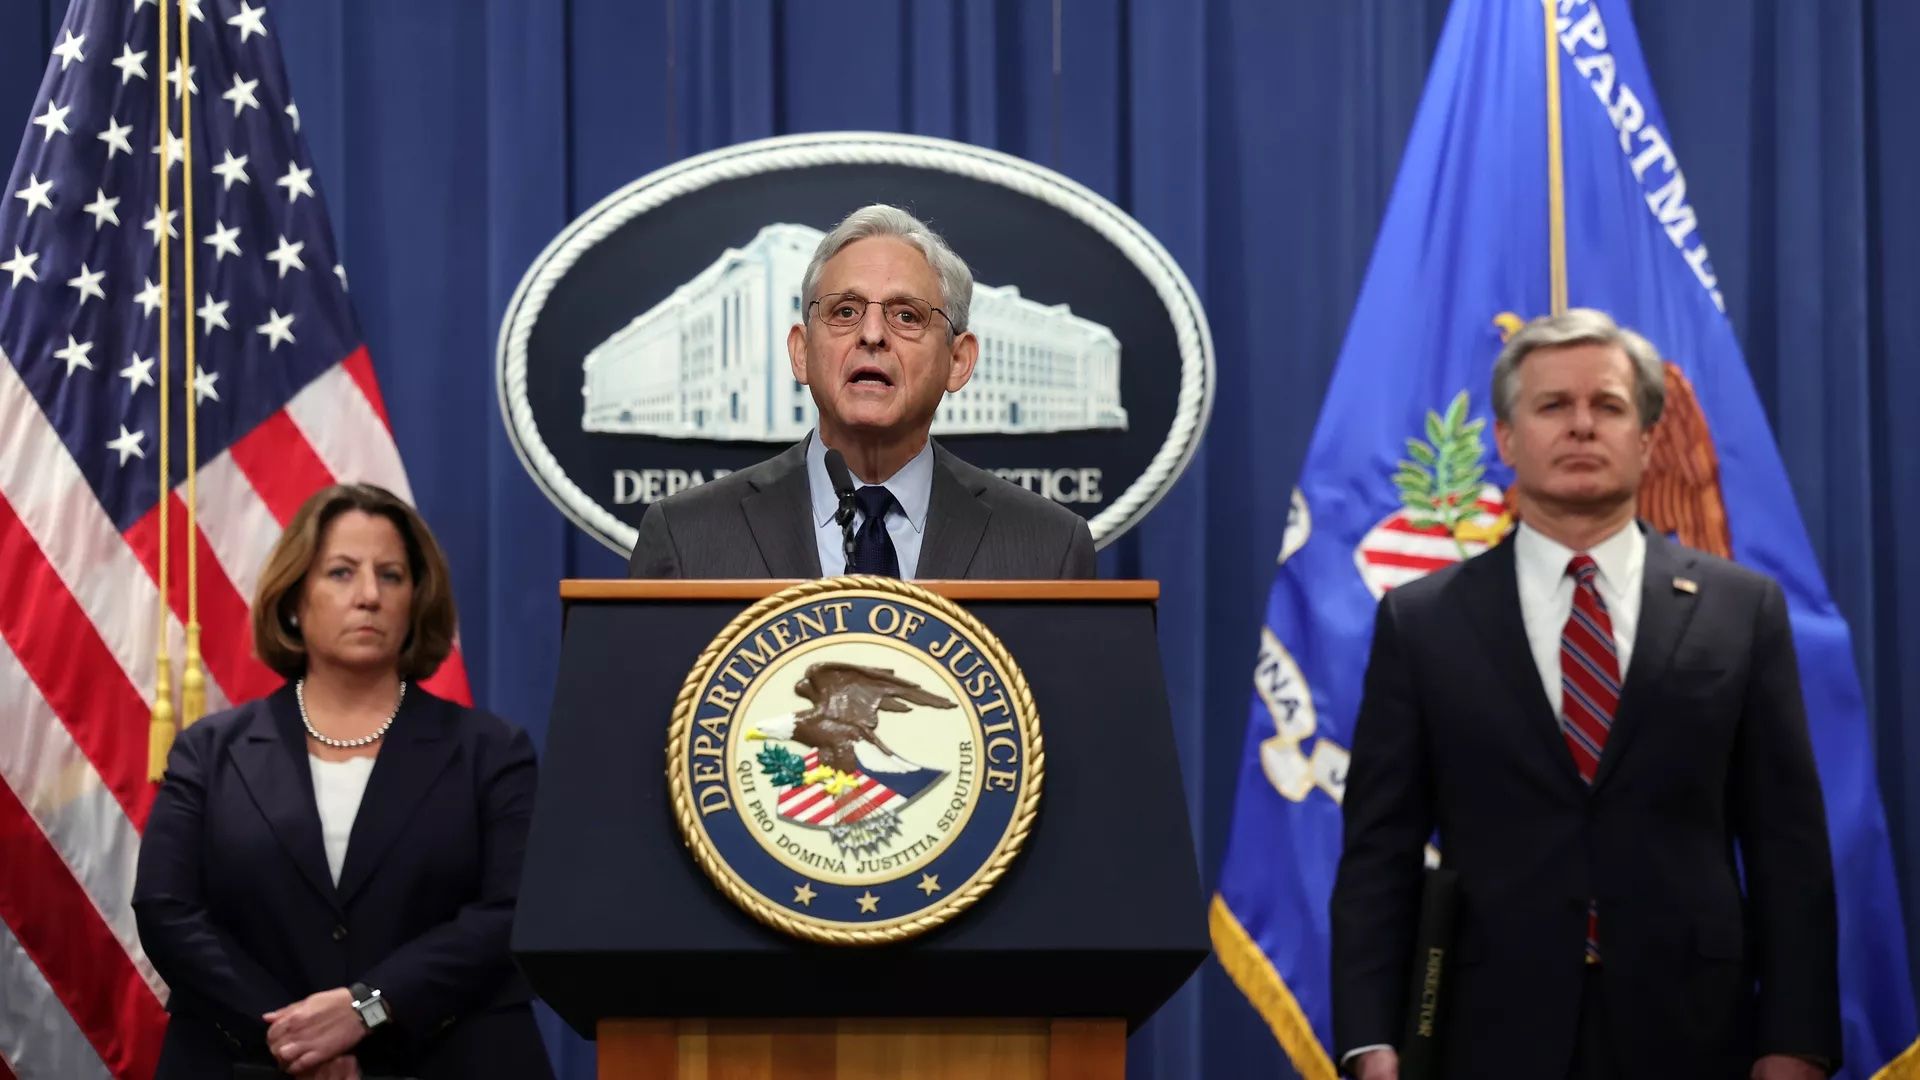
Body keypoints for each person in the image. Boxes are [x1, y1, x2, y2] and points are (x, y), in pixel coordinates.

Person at [1331, 310, 1840, 1079]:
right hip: (1486, 1032)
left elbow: (1787, 844)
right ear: (1505, 440)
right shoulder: (1422, 621)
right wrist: (1370, 1040)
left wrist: (1796, 1040)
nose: (1580, 427)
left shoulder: (1742, 610)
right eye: (1551, 406)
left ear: (1645, 438)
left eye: (1606, 406)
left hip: (1696, 1032)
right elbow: (1380, 852)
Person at [134, 484, 553, 1080]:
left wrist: (368, 1008)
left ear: (416, 600)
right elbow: (166, 911)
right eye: (340, 573)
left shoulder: (491, 751)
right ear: (294, 600)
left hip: (447, 1057)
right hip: (247, 1061)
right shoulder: (211, 751)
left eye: (391, 575)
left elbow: (512, 912)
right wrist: (298, 1038)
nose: (368, 596)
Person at [627, 203, 1097, 580]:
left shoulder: (1049, 549)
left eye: (906, 315)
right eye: (845, 312)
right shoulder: (687, 539)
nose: (872, 334)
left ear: (959, 361)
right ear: (802, 352)